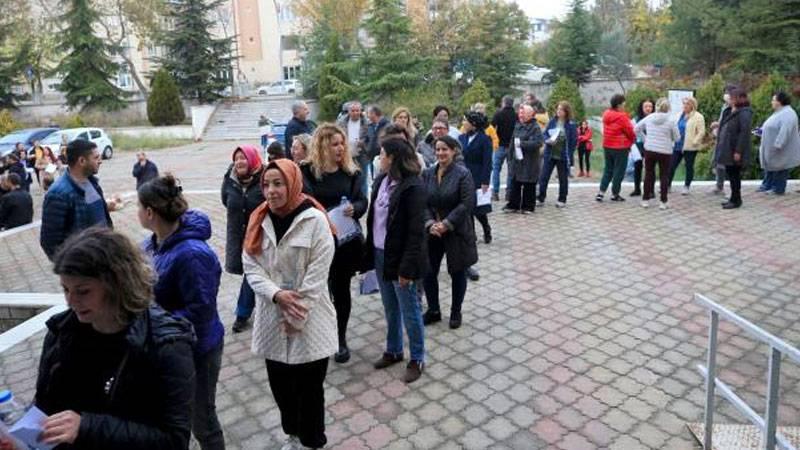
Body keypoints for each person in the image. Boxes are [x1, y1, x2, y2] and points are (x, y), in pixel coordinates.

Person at [0, 227, 196, 449]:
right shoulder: (61, 330)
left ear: (118, 285)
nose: (71, 301)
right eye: (65, 290)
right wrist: (22, 438)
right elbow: (47, 406)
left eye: (83, 291)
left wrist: (86, 427)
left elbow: (173, 440)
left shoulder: (166, 344)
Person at [242, 159, 337, 450]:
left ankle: (312, 442)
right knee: (281, 387)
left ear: (292, 183)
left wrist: (296, 313)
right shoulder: (258, 219)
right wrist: (275, 294)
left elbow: (318, 272)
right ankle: (293, 436)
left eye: (278, 183)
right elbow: (251, 265)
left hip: (310, 321)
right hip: (272, 316)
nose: (271, 191)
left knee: (309, 390)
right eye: (267, 184)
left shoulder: (315, 220)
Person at [138, 175, 226, 450]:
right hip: (170, 345)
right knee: (176, 416)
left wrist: (157, 322)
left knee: (202, 419)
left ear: (150, 212)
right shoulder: (151, 243)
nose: (137, 213)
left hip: (199, 348)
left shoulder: (191, 254)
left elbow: (200, 311)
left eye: (139, 207)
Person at [300, 124, 367, 364]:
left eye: (342, 143)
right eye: (334, 144)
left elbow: (362, 201)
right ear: (321, 145)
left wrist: (355, 209)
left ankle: (340, 338)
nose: (340, 148)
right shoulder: (306, 171)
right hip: (316, 241)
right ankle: (316, 333)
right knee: (316, 291)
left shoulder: (352, 172)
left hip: (344, 243)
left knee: (340, 291)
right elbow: (303, 201)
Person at [363, 137, 428, 383]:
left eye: (382, 154)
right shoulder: (381, 180)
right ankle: (394, 349)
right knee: (390, 307)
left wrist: (407, 269)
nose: (379, 158)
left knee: (409, 309)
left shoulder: (413, 187)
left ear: (393, 158)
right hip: (381, 253)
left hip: (402, 258)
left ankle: (418, 357)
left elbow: (415, 233)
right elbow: (374, 219)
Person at [421, 135, 477, 329]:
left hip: (456, 230)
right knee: (428, 271)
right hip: (433, 232)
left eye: (445, 149)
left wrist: (446, 223)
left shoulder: (463, 174)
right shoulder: (427, 173)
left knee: (457, 271)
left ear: (454, 151)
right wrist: (430, 224)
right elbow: (423, 202)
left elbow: (467, 203)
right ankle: (434, 310)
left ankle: (455, 311)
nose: (440, 153)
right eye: (437, 149)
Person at [40, 139, 112, 260]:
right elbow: (50, 242)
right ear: (82, 161)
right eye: (96, 157)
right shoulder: (58, 194)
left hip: (103, 259)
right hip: (83, 267)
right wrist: (73, 268)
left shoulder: (92, 182)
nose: (100, 161)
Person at [221, 145, 265, 333]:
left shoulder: (264, 178)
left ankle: (242, 313)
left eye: (243, 158)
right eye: (236, 158)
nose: (239, 161)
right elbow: (226, 200)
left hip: (261, 235)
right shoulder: (229, 180)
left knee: (252, 272)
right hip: (239, 235)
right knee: (252, 271)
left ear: (252, 159)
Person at [634, 98, 681, 210]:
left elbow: (636, 129)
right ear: (668, 108)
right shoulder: (671, 121)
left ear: (656, 107)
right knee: (664, 175)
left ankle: (645, 200)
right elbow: (677, 138)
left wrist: (646, 139)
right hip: (665, 151)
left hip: (650, 149)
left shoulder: (649, 118)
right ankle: (663, 202)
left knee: (648, 174)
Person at [757, 92, 800, 195]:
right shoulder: (779, 112)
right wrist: (761, 130)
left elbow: (785, 131)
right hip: (771, 147)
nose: (772, 102)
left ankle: (778, 188)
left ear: (779, 102)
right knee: (771, 166)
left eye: (773, 100)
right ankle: (767, 185)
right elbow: (771, 126)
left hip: (780, 148)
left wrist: (778, 144)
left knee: (781, 167)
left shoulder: (788, 114)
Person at [716, 88, 753, 209]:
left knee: (735, 175)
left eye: (732, 97)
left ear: (738, 98)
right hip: (727, 149)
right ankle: (733, 198)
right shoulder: (730, 110)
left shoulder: (744, 113)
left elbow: (744, 133)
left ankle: (736, 199)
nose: (730, 99)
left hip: (734, 150)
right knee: (731, 174)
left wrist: (738, 151)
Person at [505, 104, 544, 213]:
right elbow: (512, 141)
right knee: (515, 183)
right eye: (520, 113)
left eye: (523, 113)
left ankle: (528, 207)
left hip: (529, 161)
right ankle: (513, 205)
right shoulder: (517, 125)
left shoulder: (535, 127)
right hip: (516, 161)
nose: (520, 115)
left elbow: (538, 142)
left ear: (530, 115)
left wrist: (523, 144)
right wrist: (510, 155)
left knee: (529, 185)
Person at [597, 94, 636, 202]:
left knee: (608, 169)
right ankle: (615, 194)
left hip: (607, 145)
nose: (625, 106)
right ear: (619, 105)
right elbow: (629, 131)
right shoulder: (622, 116)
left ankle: (601, 192)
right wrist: (633, 140)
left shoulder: (606, 114)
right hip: (620, 147)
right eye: (624, 104)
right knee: (619, 171)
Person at [538, 101, 577, 208]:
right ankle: (541, 198)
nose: (558, 111)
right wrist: (548, 140)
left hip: (563, 156)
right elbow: (545, 134)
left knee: (563, 178)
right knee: (544, 177)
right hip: (550, 154)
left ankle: (562, 199)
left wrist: (569, 153)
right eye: (558, 109)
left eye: (561, 109)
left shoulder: (571, 125)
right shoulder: (552, 121)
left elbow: (573, 141)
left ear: (566, 112)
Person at [669, 97, 706, 195]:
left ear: (692, 105)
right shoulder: (679, 115)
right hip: (677, 145)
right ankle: (667, 185)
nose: (685, 106)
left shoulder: (698, 116)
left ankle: (686, 186)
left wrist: (695, 141)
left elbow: (701, 132)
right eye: (684, 104)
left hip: (690, 146)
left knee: (689, 166)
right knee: (671, 165)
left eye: (687, 104)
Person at [491, 96, 518, 201]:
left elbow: (491, 128)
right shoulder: (516, 116)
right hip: (512, 146)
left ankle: (495, 193)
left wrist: (494, 139)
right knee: (511, 171)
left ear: (504, 103)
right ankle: (508, 193)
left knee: (496, 169)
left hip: (499, 145)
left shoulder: (498, 114)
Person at [710, 87, 735, 194]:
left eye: (727, 93)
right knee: (717, 162)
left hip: (728, 141)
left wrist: (718, 125)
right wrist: (717, 126)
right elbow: (722, 121)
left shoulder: (734, 109)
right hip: (720, 138)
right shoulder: (724, 107)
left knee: (725, 164)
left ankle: (728, 189)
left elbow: (729, 124)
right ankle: (719, 186)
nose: (725, 95)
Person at [630, 98, 655, 196]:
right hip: (638, 146)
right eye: (646, 106)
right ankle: (637, 189)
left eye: (650, 106)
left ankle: (651, 191)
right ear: (642, 108)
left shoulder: (656, 119)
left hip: (652, 146)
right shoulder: (636, 119)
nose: (648, 108)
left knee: (650, 168)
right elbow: (632, 133)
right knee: (637, 166)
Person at [364, 105, 390, 190]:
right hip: (371, 157)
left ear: (374, 113)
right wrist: (366, 147)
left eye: (369, 113)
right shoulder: (370, 126)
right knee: (375, 179)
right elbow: (367, 139)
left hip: (382, 157)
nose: (367, 116)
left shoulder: (386, 125)